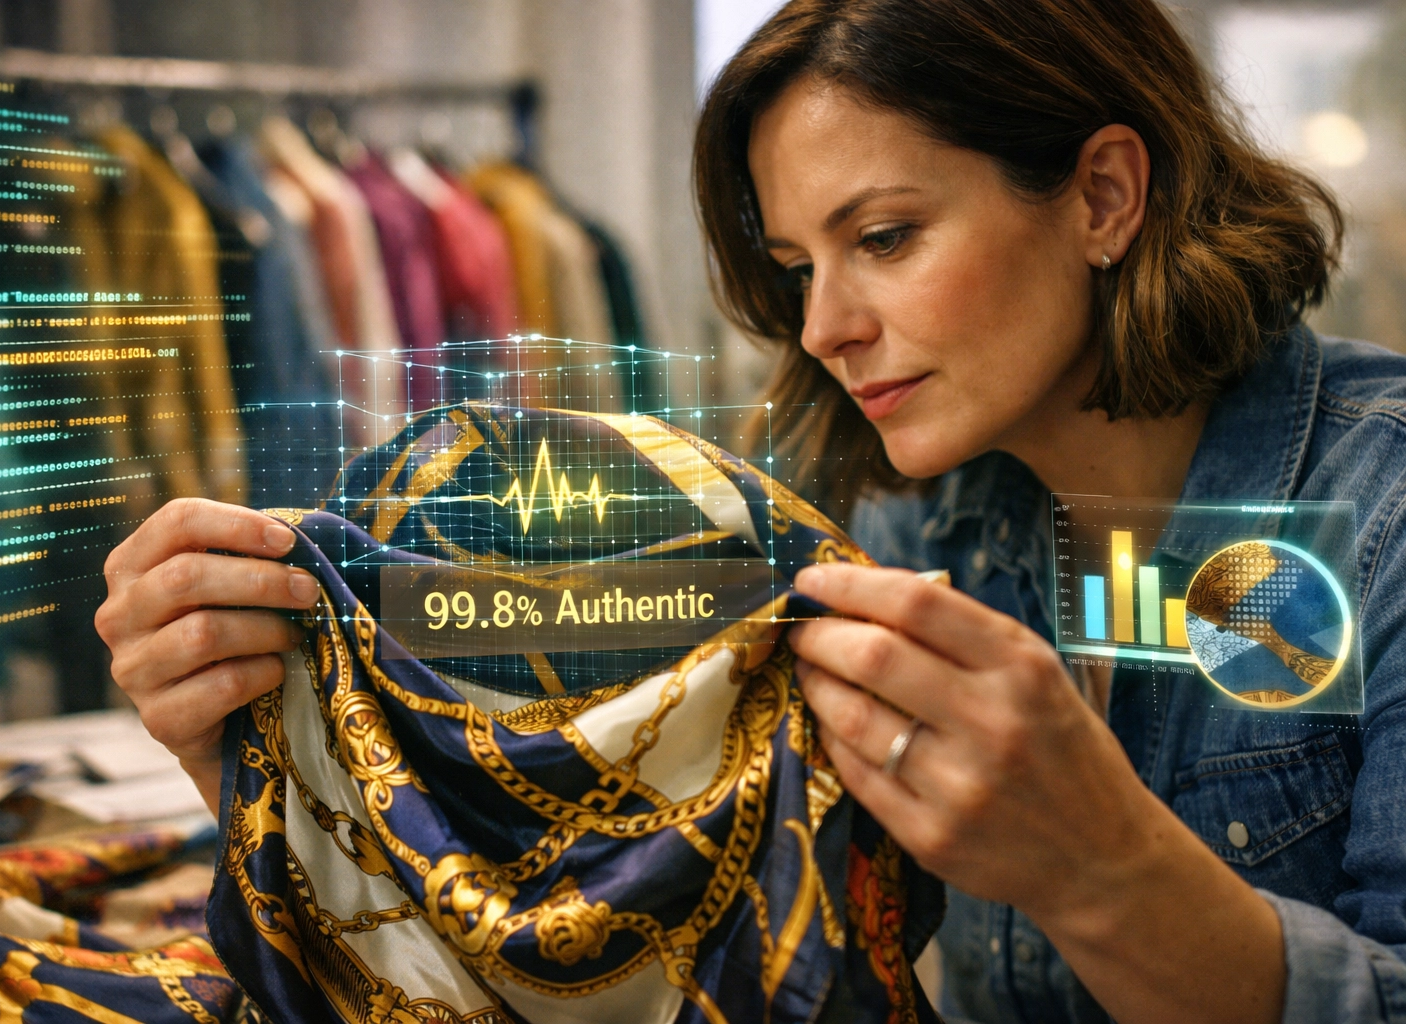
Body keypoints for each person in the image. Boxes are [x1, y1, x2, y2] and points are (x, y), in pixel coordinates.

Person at [93, 2, 1406, 1023]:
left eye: (884, 237)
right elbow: (634, 917)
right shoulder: (905, 525)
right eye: (795, 267)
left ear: (1104, 197)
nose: (826, 327)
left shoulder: (1385, 520)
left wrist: (1104, 872)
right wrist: (282, 741)